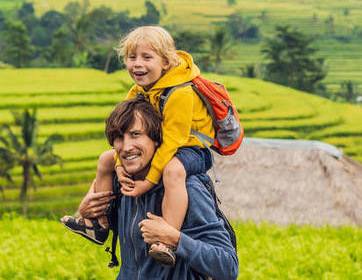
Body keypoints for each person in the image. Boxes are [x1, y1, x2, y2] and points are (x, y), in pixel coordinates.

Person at [61, 26, 215, 266]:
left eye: (146, 57)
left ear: (165, 62)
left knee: (173, 170)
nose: (137, 64)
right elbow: (121, 129)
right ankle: (97, 224)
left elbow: (173, 141)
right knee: (105, 159)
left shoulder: (180, 93)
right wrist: (120, 167)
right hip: (160, 145)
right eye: (132, 57)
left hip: (192, 148)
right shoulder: (138, 91)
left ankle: (165, 239)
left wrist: (148, 182)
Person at [79, 98, 238, 279]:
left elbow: (228, 266)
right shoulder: (123, 183)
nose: (126, 147)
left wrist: (176, 240)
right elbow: (127, 235)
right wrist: (88, 213)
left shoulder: (187, 188)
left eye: (135, 134)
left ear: (156, 139)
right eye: (119, 137)